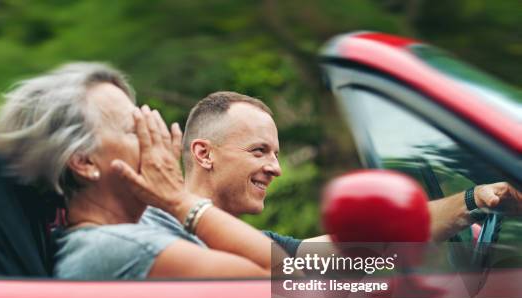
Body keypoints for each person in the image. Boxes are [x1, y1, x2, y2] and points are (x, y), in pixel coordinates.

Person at [0, 63, 288, 280]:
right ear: (84, 162)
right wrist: (180, 201)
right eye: (136, 130)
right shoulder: (118, 249)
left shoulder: (117, 240)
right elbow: (289, 280)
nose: (155, 140)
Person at [141, 91, 522, 252]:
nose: (275, 168)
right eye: (259, 151)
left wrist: (473, 200)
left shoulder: (258, 249)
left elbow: (358, 250)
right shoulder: (150, 237)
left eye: (275, 153)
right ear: (204, 154)